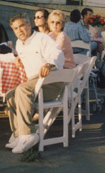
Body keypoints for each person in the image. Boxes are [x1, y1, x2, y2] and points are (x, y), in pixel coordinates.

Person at [5, 13, 64, 154]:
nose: (19, 30)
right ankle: (19, 134)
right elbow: (27, 54)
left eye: (22, 26)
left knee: (22, 90)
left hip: (51, 80)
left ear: (29, 25)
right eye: (15, 28)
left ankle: (28, 134)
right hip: (34, 82)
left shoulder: (43, 38)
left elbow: (57, 53)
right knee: (9, 95)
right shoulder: (19, 43)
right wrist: (18, 58)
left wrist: (49, 65)